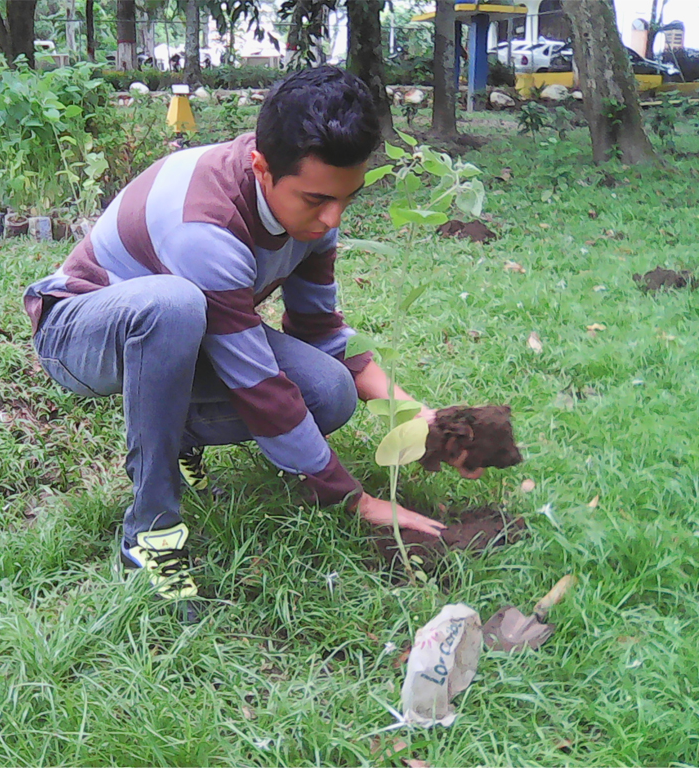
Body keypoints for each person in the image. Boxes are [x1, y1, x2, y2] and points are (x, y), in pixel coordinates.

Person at [24, 66, 481, 615]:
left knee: (329, 392)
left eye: (347, 197)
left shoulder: (315, 211)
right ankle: (151, 533)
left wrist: (418, 416)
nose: (333, 217)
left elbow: (321, 336)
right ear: (262, 168)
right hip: (78, 330)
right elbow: (259, 384)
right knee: (174, 305)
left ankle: (175, 432)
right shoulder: (204, 225)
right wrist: (355, 500)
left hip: (185, 336)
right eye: (316, 200)